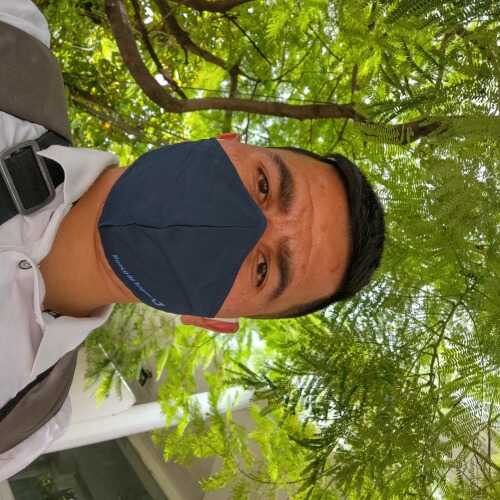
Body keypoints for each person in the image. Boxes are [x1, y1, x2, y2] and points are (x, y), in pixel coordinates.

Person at [0, 0, 385, 481]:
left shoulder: (22, 424)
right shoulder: (14, 48)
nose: (243, 226)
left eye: (263, 268)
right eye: (264, 185)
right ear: (223, 141)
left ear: (213, 320)